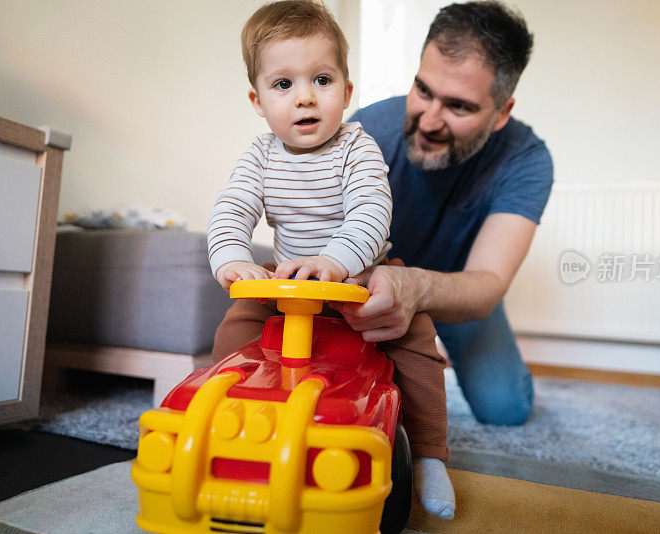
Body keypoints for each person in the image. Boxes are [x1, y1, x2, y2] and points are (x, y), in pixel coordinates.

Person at [207, 0, 455, 520]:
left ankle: (432, 453)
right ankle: (229, 429)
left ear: (346, 92)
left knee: (417, 340)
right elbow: (232, 209)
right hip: (287, 290)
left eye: (321, 80)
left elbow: (371, 211)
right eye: (283, 85)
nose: (304, 98)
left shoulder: (356, 148)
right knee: (232, 335)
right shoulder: (259, 156)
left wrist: (336, 261)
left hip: (363, 284)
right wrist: (232, 257)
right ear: (257, 101)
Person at [332, 0, 553, 428]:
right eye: (423, 91)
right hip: (369, 286)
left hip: (457, 293)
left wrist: (416, 288)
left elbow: (487, 283)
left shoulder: (528, 160)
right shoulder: (367, 131)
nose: (429, 121)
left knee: (506, 409)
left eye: (459, 107)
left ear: (502, 112)